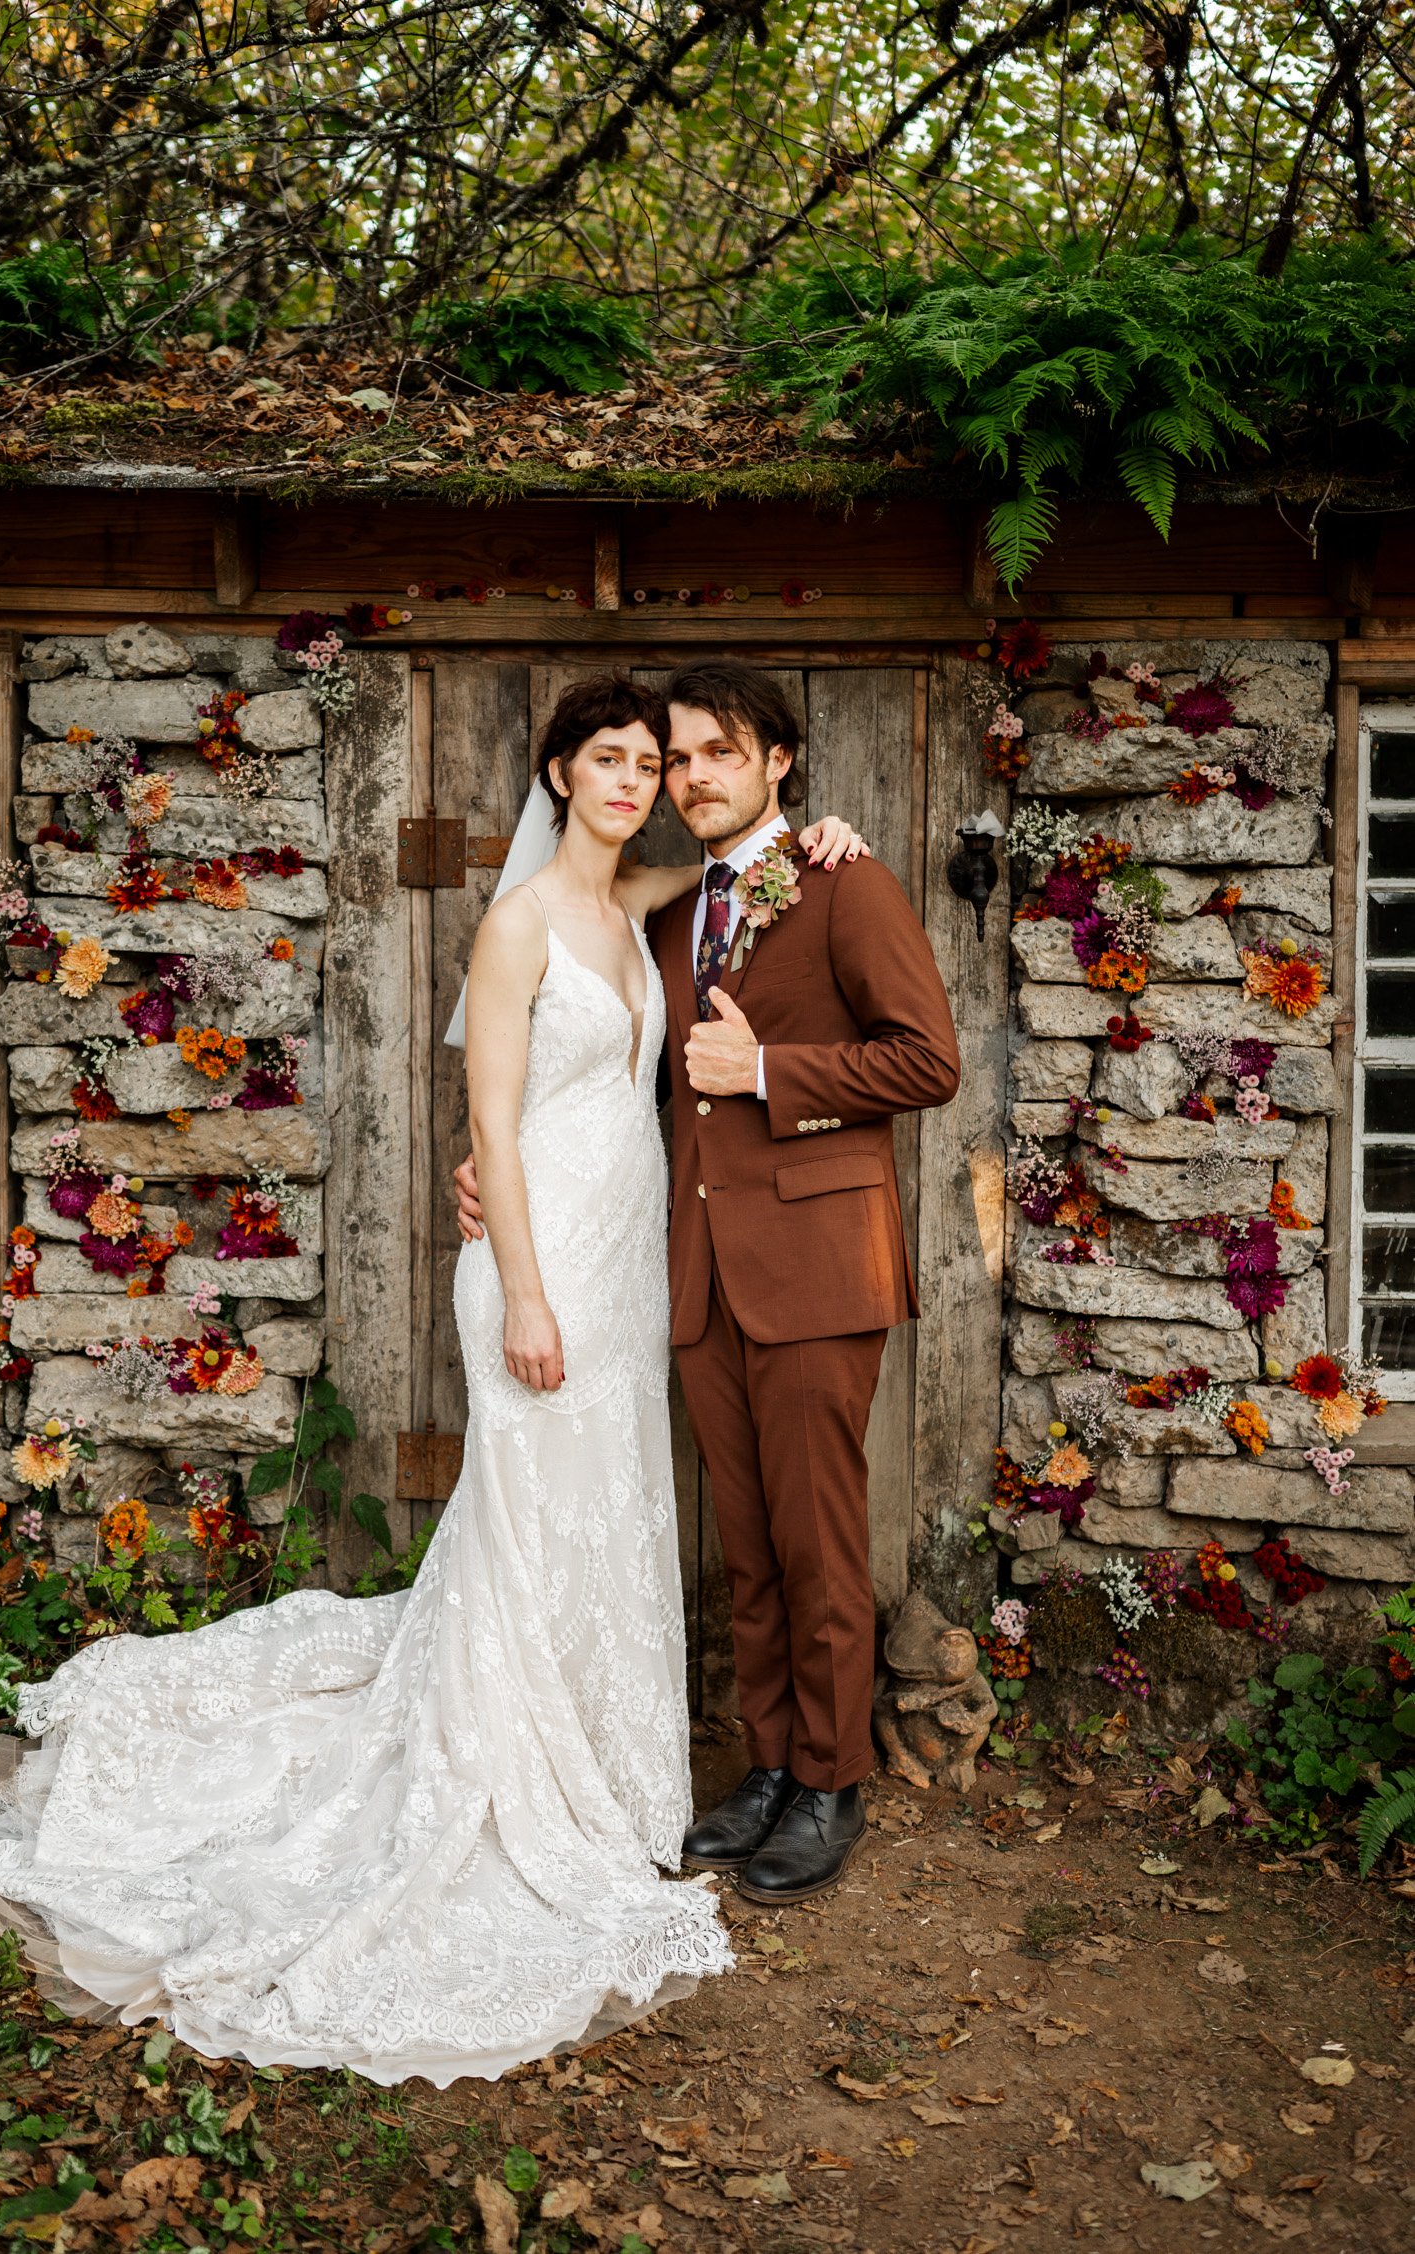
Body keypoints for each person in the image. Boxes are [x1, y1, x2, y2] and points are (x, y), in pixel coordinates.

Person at [0, 673, 867, 2088]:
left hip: (625, 1269)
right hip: (541, 1266)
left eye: (646, 764)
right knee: (527, 1509)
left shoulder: (639, 912)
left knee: (605, 1510)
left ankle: (612, 1785)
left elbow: (731, 867)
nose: (631, 781)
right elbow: (488, 1109)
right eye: (604, 760)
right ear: (555, 772)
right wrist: (526, 1283)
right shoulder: (519, 921)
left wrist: (820, 832)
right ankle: (504, 1781)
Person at [457, 659, 960, 1905]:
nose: (689, 778)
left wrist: (774, 1071)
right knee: (748, 1544)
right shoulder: (668, 912)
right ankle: (772, 1761)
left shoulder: (849, 886)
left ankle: (833, 1781)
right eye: (676, 759)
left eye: (716, 754)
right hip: (690, 1274)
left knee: (818, 1537)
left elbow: (928, 1060)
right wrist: (485, 1164)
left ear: (778, 761)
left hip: (817, 1270)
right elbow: (585, 1068)